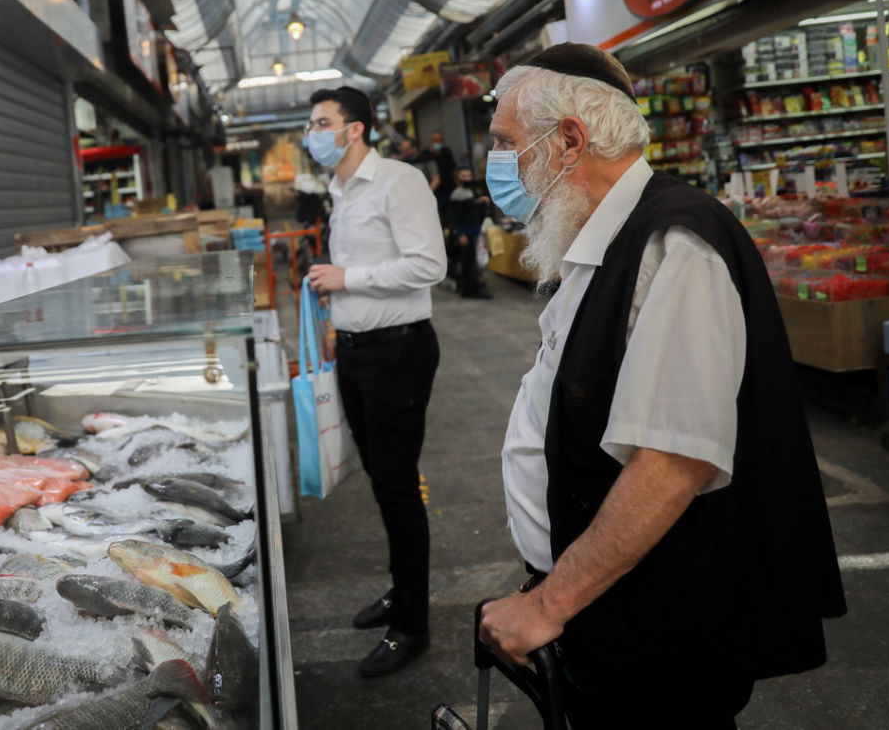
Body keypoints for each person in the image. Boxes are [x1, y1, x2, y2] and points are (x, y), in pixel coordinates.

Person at [477, 44, 845, 728]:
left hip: (657, 634)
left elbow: (673, 461)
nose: (497, 161)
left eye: (505, 141)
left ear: (568, 141)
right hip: (604, 609)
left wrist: (547, 606)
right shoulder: (600, 239)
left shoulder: (675, 244)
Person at [303, 86, 447, 678]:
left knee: (397, 486)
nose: (311, 132)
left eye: (321, 122)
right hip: (359, 355)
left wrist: (346, 277)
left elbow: (427, 265)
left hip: (399, 355)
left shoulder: (398, 181)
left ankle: (412, 623)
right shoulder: (338, 189)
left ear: (354, 129)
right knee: (382, 480)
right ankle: (401, 588)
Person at [447, 166, 492, 298]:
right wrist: (460, 233)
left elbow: (469, 207)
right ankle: (469, 289)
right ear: (458, 178)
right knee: (467, 262)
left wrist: (480, 201)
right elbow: (455, 216)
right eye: (464, 176)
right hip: (465, 233)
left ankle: (473, 286)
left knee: (473, 261)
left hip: (473, 231)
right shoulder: (457, 194)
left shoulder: (470, 192)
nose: (467, 178)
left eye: (468, 176)